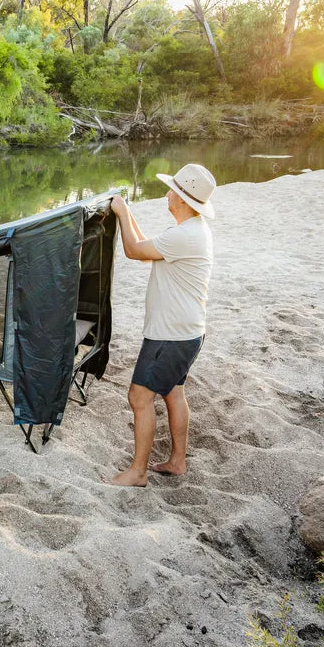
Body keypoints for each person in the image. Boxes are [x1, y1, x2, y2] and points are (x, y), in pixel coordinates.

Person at [107, 163, 216, 486]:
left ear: (182, 199)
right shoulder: (189, 232)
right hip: (187, 331)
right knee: (173, 392)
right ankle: (177, 462)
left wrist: (122, 213)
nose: (167, 194)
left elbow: (131, 250)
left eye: (172, 190)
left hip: (170, 335)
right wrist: (126, 214)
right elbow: (144, 253)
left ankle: (138, 472)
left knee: (139, 397)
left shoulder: (184, 235)